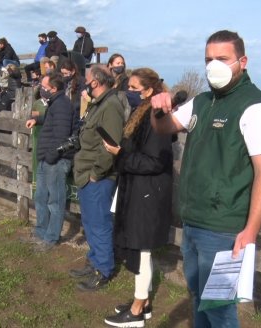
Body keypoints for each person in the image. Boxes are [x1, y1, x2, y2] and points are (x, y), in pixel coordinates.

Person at [150, 30, 261, 327]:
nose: (213, 66)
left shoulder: (256, 108)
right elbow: (165, 127)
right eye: (208, 59)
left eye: (222, 59)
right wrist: (157, 109)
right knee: (197, 295)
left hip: (224, 228)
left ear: (242, 61)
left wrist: (250, 232)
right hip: (194, 221)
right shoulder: (202, 101)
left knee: (220, 309)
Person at [102, 68, 173, 328]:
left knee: (141, 249)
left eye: (133, 88)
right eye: (128, 87)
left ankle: (135, 312)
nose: (128, 92)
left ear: (149, 91)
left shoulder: (156, 118)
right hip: (138, 188)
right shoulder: (142, 113)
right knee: (141, 249)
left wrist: (120, 154)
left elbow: (155, 162)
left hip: (148, 192)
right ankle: (144, 304)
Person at [69, 65, 125, 291]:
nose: (85, 82)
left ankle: (103, 270)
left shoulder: (111, 106)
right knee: (90, 223)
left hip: (98, 177)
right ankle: (94, 262)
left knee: (99, 224)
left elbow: (109, 145)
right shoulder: (99, 104)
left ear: (96, 82)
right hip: (87, 174)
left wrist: (95, 174)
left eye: (88, 79)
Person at [25, 72, 75, 252]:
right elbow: (52, 121)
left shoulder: (62, 105)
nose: (42, 90)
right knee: (40, 197)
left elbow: (61, 136)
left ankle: (51, 237)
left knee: (54, 200)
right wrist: (37, 120)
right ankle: (41, 231)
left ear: (54, 88)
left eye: (44, 87)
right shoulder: (56, 104)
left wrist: (51, 157)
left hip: (54, 160)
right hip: (47, 158)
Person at [60, 58, 85, 132]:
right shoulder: (63, 82)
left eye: (66, 73)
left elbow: (80, 100)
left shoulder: (81, 81)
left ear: (73, 71)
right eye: (62, 73)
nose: (64, 76)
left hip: (76, 114)